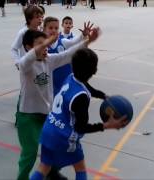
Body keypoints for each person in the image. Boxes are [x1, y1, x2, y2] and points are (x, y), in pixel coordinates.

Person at [30, 48, 128, 180]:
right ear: (94, 71)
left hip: (49, 129)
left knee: (44, 167)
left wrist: (103, 96)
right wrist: (106, 125)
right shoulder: (81, 97)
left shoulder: (70, 76)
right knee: (80, 167)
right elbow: (80, 127)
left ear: (72, 65)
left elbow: (87, 86)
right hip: (63, 137)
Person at [16, 25, 95, 180]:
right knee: (30, 153)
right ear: (28, 47)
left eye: (46, 43)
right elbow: (27, 58)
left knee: (58, 147)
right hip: (28, 116)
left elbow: (68, 54)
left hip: (47, 114)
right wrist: (46, 42)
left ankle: (51, 172)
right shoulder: (25, 65)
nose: (46, 47)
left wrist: (87, 41)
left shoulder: (49, 60)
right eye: (40, 44)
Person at [43, 17, 90, 97]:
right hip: (51, 79)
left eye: (56, 28)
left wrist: (83, 35)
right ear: (44, 29)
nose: (54, 30)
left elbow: (73, 42)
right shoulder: (42, 46)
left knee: (65, 97)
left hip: (65, 75)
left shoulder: (62, 41)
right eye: (50, 28)